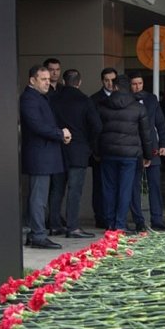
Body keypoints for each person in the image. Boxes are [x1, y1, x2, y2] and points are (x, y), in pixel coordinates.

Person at [20, 64, 72, 249]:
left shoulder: (38, 97)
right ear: (32, 80)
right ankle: (38, 235)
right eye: (43, 79)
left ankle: (36, 233)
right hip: (39, 156)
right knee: (38, 198)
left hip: (43, 155)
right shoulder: (29, 98)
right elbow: (37, 126)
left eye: (49, 80)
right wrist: (60, 133)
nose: (47, 83)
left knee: (39, 197)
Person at [48, 69, 101, 239]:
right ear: (79, 82)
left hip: (57, 149)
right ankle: (72, 227)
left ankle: (54, 225)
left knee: (57, 189)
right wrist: (89, 143)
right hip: (79, 150)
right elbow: (97, 126)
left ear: (64, 80)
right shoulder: (84, 100)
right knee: (75, 191)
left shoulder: (53, 99)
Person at [96, 75, 153, 231]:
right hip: (130, 154)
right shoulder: (138, 107)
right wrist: (148, 155)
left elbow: (96, 131)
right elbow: (146, 135)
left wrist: (97, 151)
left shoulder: (102, 106)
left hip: (108, 153)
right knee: (125, 189)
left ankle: (110, 222)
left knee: (109, 188)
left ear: (114, 87)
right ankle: (120, 224)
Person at [128, 72, 165, 231]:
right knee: (134, 186)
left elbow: (160, 123)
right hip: (133, 148)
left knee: (155, 185)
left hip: (152, 148)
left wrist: (164, 144)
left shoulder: (152, 99)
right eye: (134, 84)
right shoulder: (127, 100)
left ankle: (157, 218)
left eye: (139, 83)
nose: (137, 87)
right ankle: (138, 220)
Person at [89, 67, 119, 229]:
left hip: (118, 149)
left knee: (116, 185)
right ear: (102, 81)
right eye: (106, 80)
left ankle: (114, 217)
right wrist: (96, 151)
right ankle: (101, 218)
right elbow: (92, 128)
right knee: (100, 186)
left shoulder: (122, 97)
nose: (110, 83)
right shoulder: (94, 99)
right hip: (100, 150)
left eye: (113, 80)